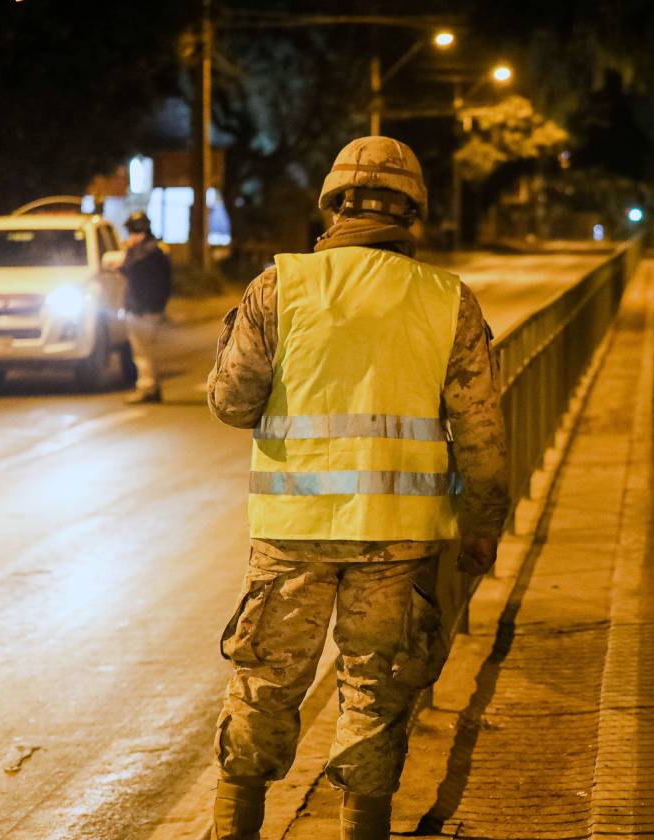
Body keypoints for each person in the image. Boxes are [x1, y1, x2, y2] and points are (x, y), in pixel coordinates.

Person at [205, 136, 510, 839]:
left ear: (333, 205)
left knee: (265, 687)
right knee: (376, 694)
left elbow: (230, 404)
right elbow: (483, 440)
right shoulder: (448, 300)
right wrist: (481, 529)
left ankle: (234, 830)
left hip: (291, 538)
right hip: (399, 540)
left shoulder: (279, 287)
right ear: (413, 212)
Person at [119, 211, 172, 403]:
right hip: (145, 307)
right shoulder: (153, 250)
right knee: (145, 350)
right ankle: (152, 387)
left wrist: (130, 251)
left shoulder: (147, 251)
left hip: (144, 309)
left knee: (143, 351)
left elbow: (130, 268)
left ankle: (148, 388)